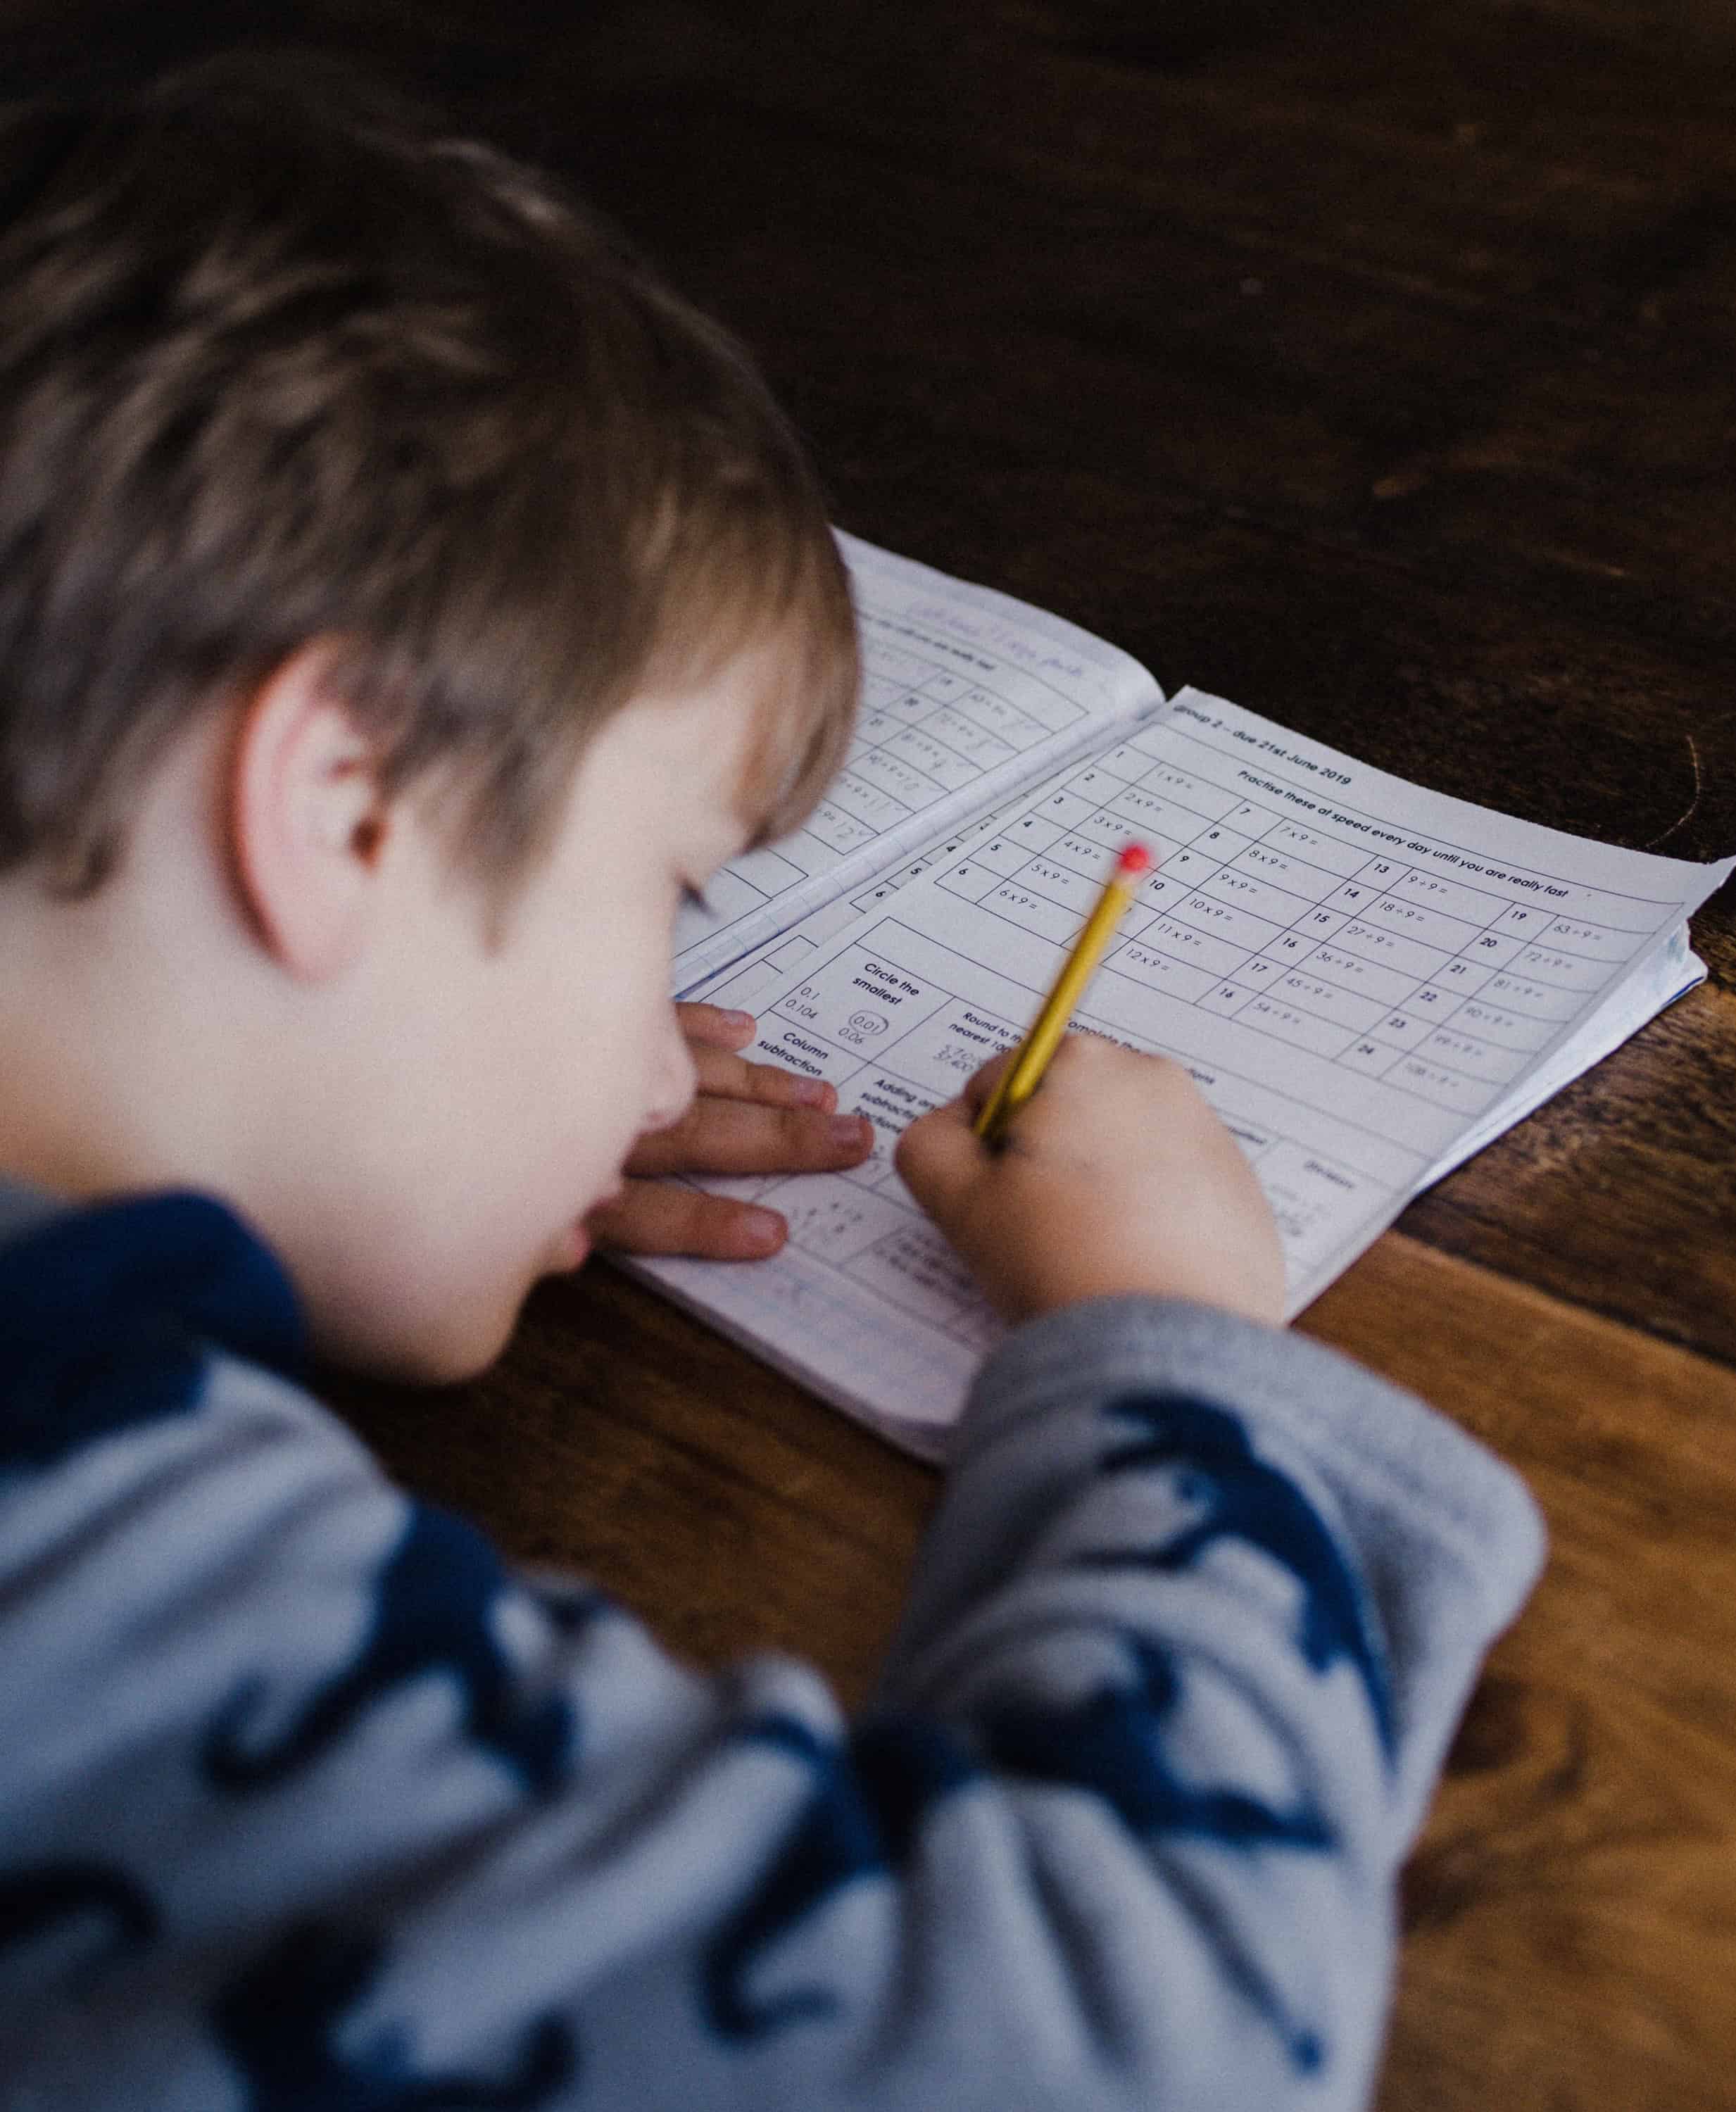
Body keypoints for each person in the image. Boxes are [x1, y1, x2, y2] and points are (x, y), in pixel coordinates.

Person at [0, 57, 1544, 2112]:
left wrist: (338, 1165)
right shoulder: (87, 1553)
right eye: (666, 893)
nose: (664, 1044)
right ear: (345, 809)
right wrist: (1161, 1350)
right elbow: (1134, 2053)